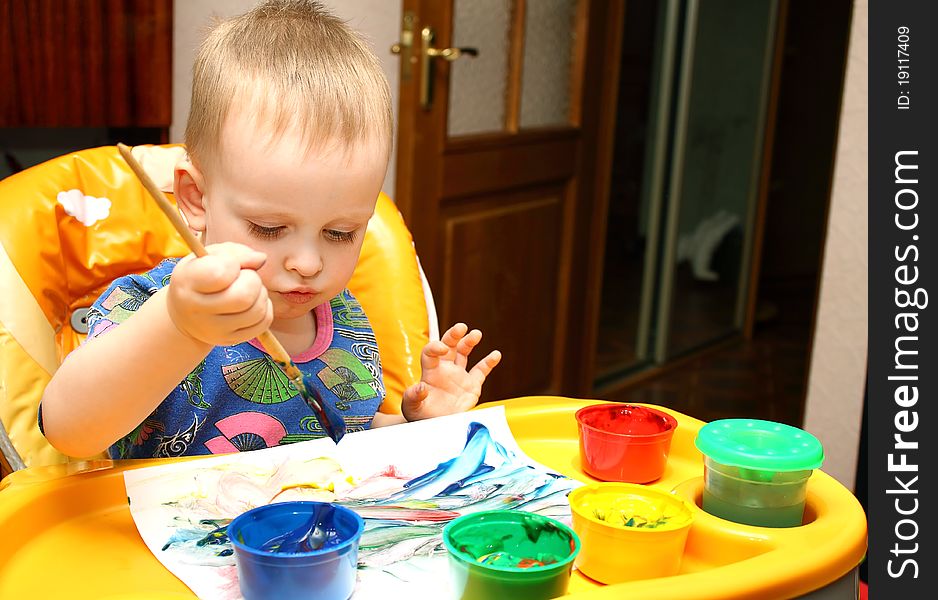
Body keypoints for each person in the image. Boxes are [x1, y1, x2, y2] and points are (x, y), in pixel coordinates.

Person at [39, 0, 501, 460]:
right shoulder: (147, 305)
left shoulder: (345, 321)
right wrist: (178, 327)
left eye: (340, 233)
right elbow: (67, 431)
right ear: (196, 199)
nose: (308, 262)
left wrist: (415, 423)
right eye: (270, 227)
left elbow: (344, 436)